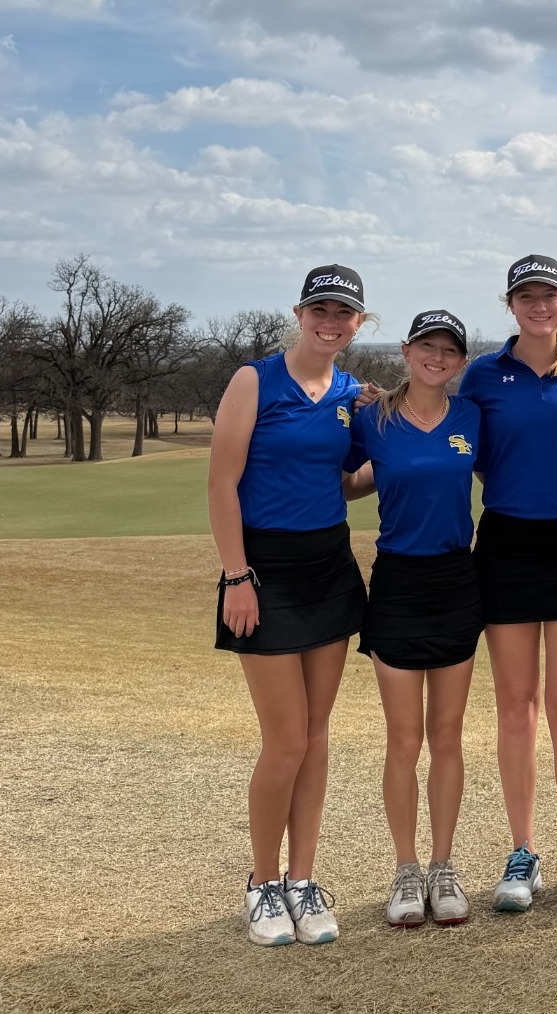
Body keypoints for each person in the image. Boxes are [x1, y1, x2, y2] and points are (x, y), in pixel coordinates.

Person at [206, 263, 370, 946]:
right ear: (299, 314)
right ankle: (263, 883)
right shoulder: (254, 380)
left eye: (344, 313)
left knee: (318, 735)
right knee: (286, 741)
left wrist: (405, 453)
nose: (330, 323)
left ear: (359, 323)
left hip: (329, 567)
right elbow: (221, 483)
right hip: (263, 573)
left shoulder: (352, 393)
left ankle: (303, 880)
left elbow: (346, 481)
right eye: (319, 310)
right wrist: (237, 576)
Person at [457, 254, 557, 914]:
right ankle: (522, 851)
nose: (538, 306)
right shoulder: (485, 374)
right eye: (526, 296)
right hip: (508, 545)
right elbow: (478, 454)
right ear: (510, 303)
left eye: (549, 296)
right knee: (517, 708)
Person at [342, 310, 483, 929]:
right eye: (426, 347)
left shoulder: (473, 416)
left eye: (448, 351)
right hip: (398, 580)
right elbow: (345, 481)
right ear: (405, 351)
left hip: (457, 580)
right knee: (404, 739)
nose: (436, 358)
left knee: (447, 736)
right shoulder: (371, 416)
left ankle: (443, 866)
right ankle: (405, 868)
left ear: (460, 361)